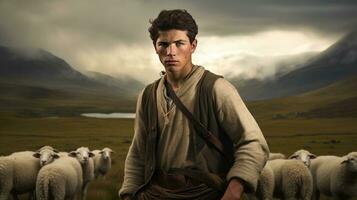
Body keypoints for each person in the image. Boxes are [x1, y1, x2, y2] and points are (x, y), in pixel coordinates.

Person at [119, 9, 269, 200]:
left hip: (205, 192)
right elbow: (138, 153)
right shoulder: (147, 95)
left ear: (193, 45)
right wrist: (128, 194)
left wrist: (233, 191)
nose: (171, 52)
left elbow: (253, 143)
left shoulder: (216, 88)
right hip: (155, 193)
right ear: (155, 47)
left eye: (179, 43)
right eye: (163, 44)